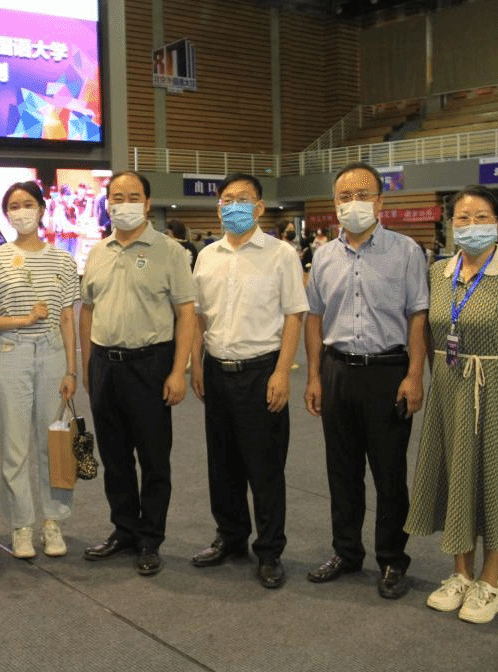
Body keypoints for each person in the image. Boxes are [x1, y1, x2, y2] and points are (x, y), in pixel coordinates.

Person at [404, 185, 498, 624]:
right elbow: (428, 331)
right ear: (452, 225)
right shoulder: (439, 273)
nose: (471, 226)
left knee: (497, 479)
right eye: (463, 218)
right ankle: (461, 574)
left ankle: (490, 582)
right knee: (457, 477)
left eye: (482, 217)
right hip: (450, 390)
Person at [303, 161, 428, 600]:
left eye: (362, 195)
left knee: (390, 473)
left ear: (380, 202)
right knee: (342, 471)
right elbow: (314, 318)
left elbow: (417, 316)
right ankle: (346, 552)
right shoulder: (323, 256)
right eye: (344, 196)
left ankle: (392, 559)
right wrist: (314, 375)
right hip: (337, 370)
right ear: (335, 204)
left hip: (387, 373)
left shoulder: (406, 251)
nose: (353, 203)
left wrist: (415, 375)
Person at [189, 173, 308, 589]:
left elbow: (294, 315)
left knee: (265, 468)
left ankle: (270, 550)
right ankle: (231, 536)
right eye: (227, 199)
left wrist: (282, 372)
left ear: (259, 207)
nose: (233, 205)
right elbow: (199, 317)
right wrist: (196, 364)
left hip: (262, 372)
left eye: (242, 198)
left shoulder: (281, 254)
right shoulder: (207, 256)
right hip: (217, 370)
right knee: (222, 465)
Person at [80, 170, 196, 576]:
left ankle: (150, 538)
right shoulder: (98, 251)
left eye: (133, 197)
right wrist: (87, 364)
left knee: (153, 458)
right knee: (114, 457)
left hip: (150, 364)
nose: (124, 204)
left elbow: (186, 314)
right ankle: (124, 530)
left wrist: (178, 371)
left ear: (147, 204)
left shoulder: (170, 251)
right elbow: (87, 310)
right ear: (107, 203)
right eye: (117, 197)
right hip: (104, 365)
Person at [0, 181, 80, 558]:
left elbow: (66, 317)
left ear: (41, 209)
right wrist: (22, 320)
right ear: (6, 214)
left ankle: (53, 522)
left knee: (56, 443)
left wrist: (71, 370)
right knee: (14, 448)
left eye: (28, 204)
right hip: (12, 355)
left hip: (53, 356)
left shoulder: (63, 260)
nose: (21, 211)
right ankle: (22, 526)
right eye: (13, 206)